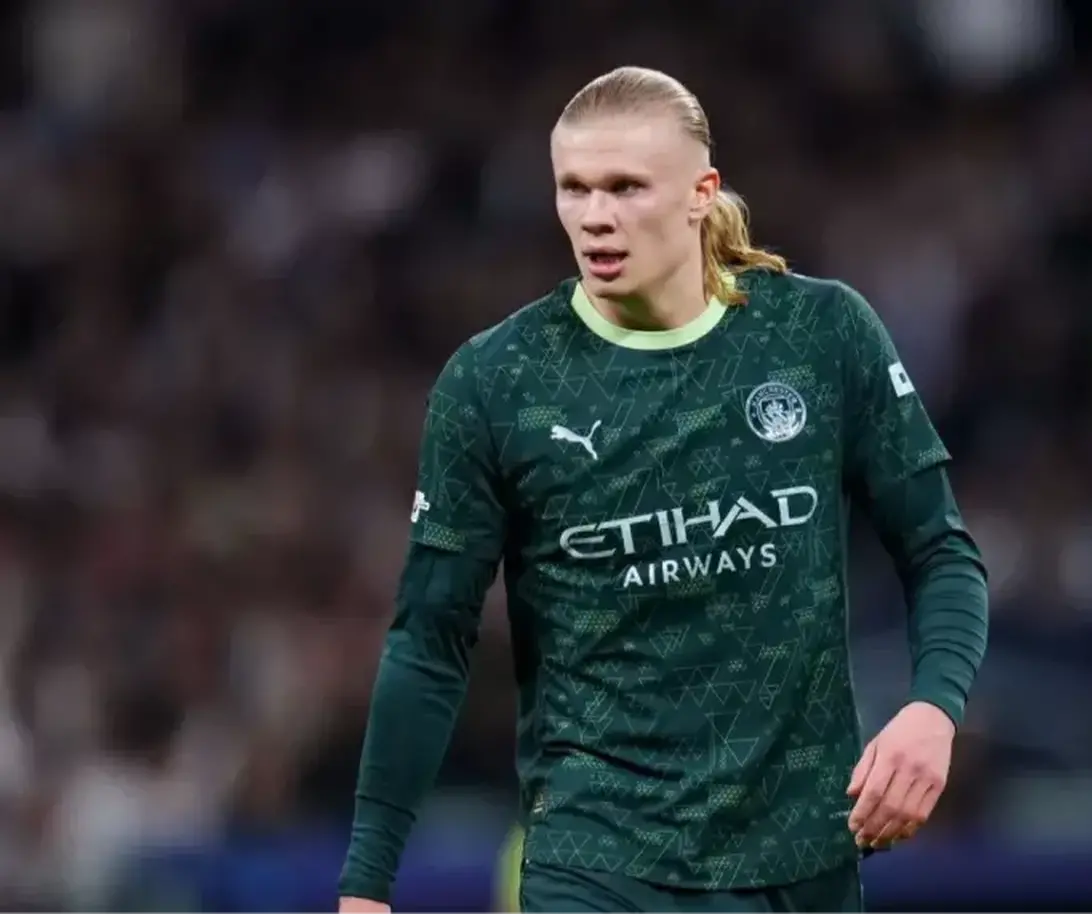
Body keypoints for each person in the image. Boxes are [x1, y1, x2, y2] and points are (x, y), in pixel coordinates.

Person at [338, 66, 989, 914]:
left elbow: (940, 552)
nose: (594, 215)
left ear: (699, 193)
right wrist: (367, 881)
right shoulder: (496, 384)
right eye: (573, 188)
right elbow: (429, 640)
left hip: (798, 859)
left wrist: (934, 709)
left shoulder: (818, 336)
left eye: (625, 187)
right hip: (597, 860)